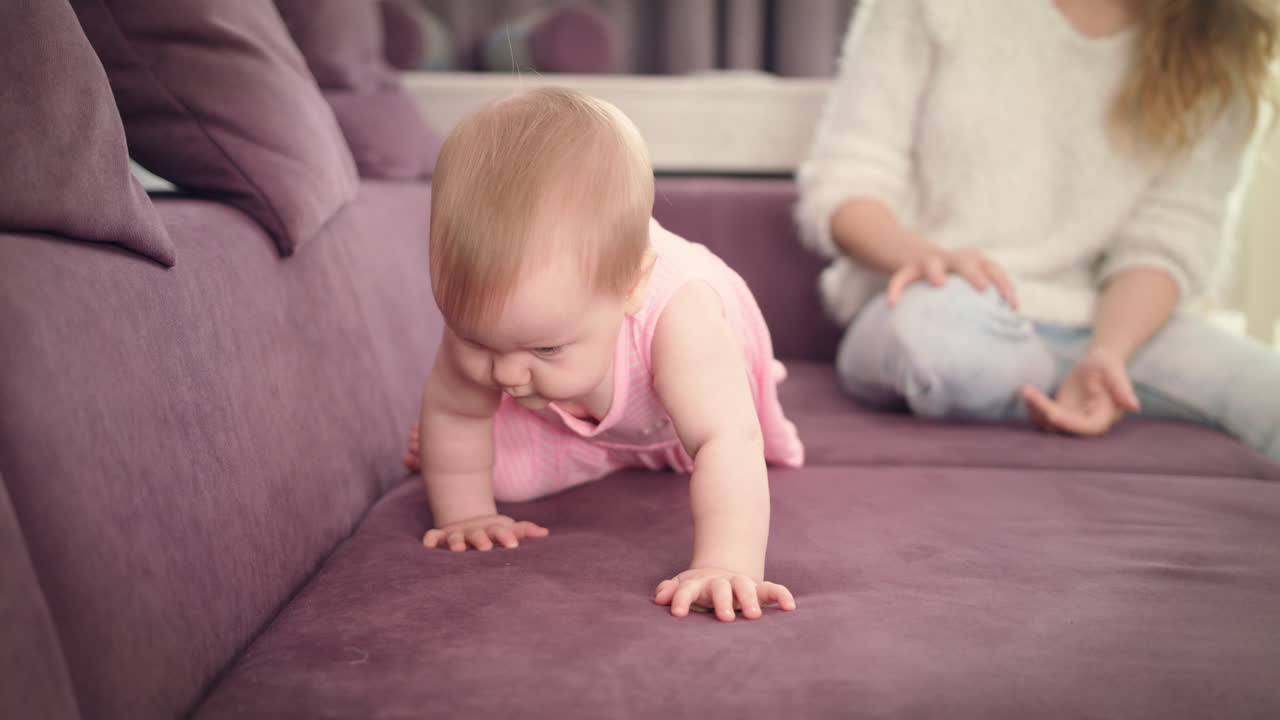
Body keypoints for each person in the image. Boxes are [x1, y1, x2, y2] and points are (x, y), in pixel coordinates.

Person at [796, 0, 1280, 460]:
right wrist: (922, 255)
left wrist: (1108, 355)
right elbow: (847, 181)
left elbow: (1168, 243)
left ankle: (1041, 385)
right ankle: (1024, 382)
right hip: (944, 305)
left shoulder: (1218, 43)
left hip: (1115, 329)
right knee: (936, 346)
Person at [403, 87, 804, 621]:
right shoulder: (489, 311)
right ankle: (594, 442)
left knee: (715, 449)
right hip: (575, 419)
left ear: (631, 285)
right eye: (479, 341)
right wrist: (466, 515)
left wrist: (726, 563)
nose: (506, 372)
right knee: (480, 471)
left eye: (544, 346)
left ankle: (645, 447)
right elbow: (456, 409)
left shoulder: (679, 315)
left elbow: (726, 439)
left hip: (687, 414)